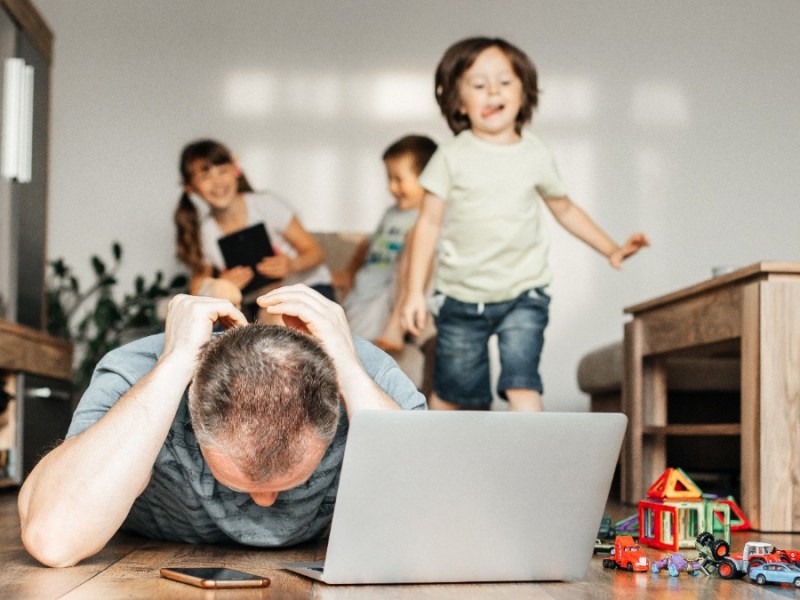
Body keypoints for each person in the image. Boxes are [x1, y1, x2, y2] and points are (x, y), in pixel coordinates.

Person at [18, 285, 426, 568]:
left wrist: (348, 368)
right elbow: (54, 539)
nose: (264, 502)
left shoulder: (365, 373)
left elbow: (435, 521)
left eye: (287, 480)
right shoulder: (136, 373)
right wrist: (175, 363)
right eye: (243, 480)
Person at [401, 36, 649, 412]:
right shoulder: (452, 156)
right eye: (479, 85)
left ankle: (536, 467)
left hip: (524, 293)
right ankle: (440, 461)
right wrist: (414, 293)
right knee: (454, 394)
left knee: (522, 383)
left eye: (504, 82)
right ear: (457, 101)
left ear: (524, 92)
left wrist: (611, 248)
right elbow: (428, 224)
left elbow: (564, 209)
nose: (492, 92)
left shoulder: (535, 153)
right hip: (461, 297)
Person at [174, 139, 334, 316]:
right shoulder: (205, 232)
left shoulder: (265, 205)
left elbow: (315, 252)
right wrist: (223, 283)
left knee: (281, 318)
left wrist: (291, 265)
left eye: (222, 171)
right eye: (205, 177)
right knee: (270, 316)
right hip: (264, 302)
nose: (217, 182)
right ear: (189, 187)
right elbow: (198, 285)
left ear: (235, 169)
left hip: (309, 289)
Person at [333, 134, 437, 352]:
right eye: (389, 178)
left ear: (428, 178)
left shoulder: (429, 219)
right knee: (348, 343)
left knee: (417, 241)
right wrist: (349, 273)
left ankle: (396, 327)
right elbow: (366, 245)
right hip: (365, 289)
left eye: (399, 179)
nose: (392, 187)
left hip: (396, 291)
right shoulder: (391, 213)